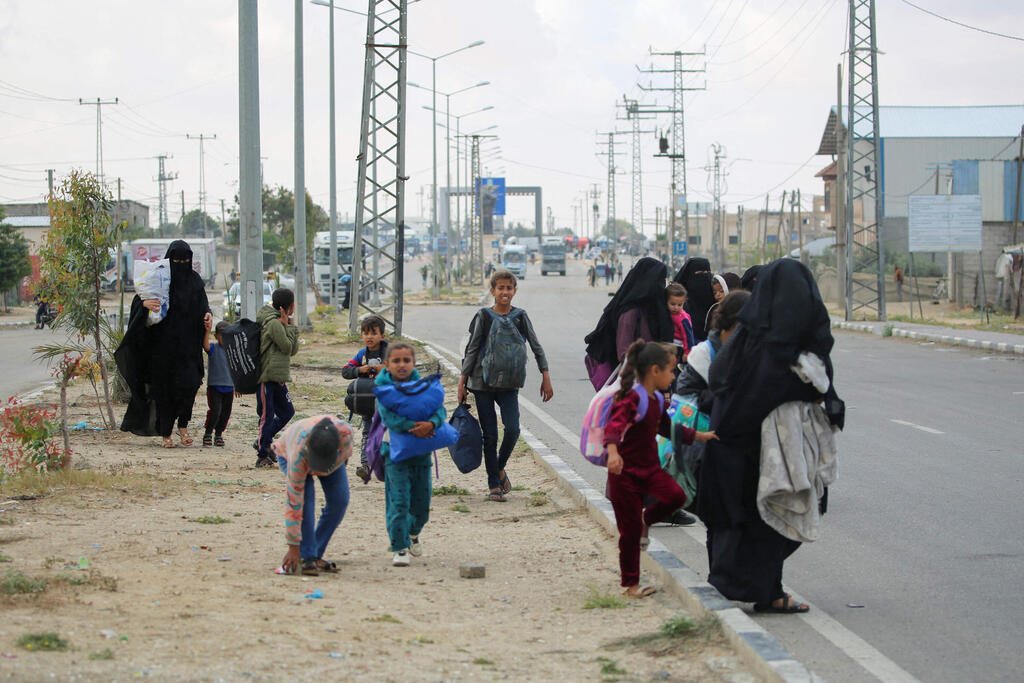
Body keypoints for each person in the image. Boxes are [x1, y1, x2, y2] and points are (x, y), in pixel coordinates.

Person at [697, 259, 843, 614]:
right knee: (769, 518)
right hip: (759, 452)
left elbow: (719, 383)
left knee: (742, 521)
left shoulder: (750, 337)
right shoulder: (781, 346)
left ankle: (742, 585)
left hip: (730, 448)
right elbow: (788, 390)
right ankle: (767, 591)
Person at [604, 340, 717, 598]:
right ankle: (630, 584)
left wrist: (699, 436)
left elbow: (667, 427)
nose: (674, 376)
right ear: (655, 371)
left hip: (650, 470)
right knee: (629, 534)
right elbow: (614, 426)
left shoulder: (656, 398)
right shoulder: (632, 397)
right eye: (671, 371)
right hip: (624, 475)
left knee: (677, 496)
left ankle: (648, 519)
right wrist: (612, 453)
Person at [458, 270, 553, 502]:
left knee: (512, 429)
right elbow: (472, 349)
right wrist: (462, 382)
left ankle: (499, 468)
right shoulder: (484, 316)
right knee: (490, 435)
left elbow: (535, 345)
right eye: (500, 288)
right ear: (492, 291)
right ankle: (493, 485)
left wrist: (545, 375)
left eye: (509, 288)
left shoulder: (521, 316)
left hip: (509, 382)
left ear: (514, 291)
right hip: (482, 382)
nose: (504, 292)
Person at [116, 240, 212, 448]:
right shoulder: (159, 279)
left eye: (185, 260)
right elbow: (139, 301)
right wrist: (144, 305)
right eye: (176, 260)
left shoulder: (195, 281)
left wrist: (207, 316)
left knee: (191, 384)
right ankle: (166, 432)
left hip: (189, 347)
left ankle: (183, 424)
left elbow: (204, 306)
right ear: (169, 260)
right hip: (162, 349)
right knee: (165, 391)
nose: (180, 264)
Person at [376, 342, 445, 566]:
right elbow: (390, 419)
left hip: (421, 455)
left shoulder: (425, 387)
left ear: (414, 363)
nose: (402, 364)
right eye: (396, 361)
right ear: (387, 365)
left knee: (421, 507)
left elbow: (440, 409)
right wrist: (417, 427)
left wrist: (433, 423)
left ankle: (413, 533)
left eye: (406, 360)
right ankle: (400, 546)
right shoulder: (384, 390)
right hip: (395, 457)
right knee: (399, 502)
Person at [273, 415, 354, 576]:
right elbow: (295, 504)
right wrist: (293, 548)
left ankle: (314, 553)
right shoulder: (298, 455)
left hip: (332, 457)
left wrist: (338, 463)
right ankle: (308, 556)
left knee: (340, 500)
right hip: (289, 451)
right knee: (306, 503)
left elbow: (346, 456)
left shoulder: (345, 436)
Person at [585, 256, 674, 372]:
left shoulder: (654, 311)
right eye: (659, 280)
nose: (662, 285)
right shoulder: (631, 313)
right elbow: (624, 354)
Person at [254, 288, 300, 468]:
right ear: (287, 306)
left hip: (279, 376)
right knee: (267, 415)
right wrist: (287, 327)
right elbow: (287, 347)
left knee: (287, 412)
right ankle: (262, 453)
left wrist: (290, 327)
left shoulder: (282, 323)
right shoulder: (273, 323)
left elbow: (293, 349)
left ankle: (263, 440)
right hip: (267, 376)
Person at [342, 315, 389, 484]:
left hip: (388, 404)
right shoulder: (362, 355)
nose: (369, 337)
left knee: (387, 435)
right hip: (368, 402)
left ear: (382, 336)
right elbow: (345, 371)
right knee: (367, 433)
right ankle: (365, 466)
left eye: (374, 333)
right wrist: (360, 370)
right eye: (365, 333)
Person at [202, 320, 237, 447]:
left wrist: (238, 385)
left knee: (225, 413)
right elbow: (205, 346)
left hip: (229, 388)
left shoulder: (233, 352)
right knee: (215, 411)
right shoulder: (213, 348)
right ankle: (208, 432)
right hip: (215, 387)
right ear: (216, 336)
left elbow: (236, 369)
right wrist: (207, 330)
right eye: (222, 335)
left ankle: (218, 434)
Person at [673, 258, 715, 343]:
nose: (706, 277)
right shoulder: (678, 303)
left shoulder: (716, 300)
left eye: (708, 273)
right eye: (700, 274)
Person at [666, 282, 694, 361]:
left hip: (679, 347)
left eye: (679, 305)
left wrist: (687, 352)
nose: (676, 307)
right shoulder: (666, 313)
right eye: (673, 304)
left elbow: (688, 336)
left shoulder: (683, 318)